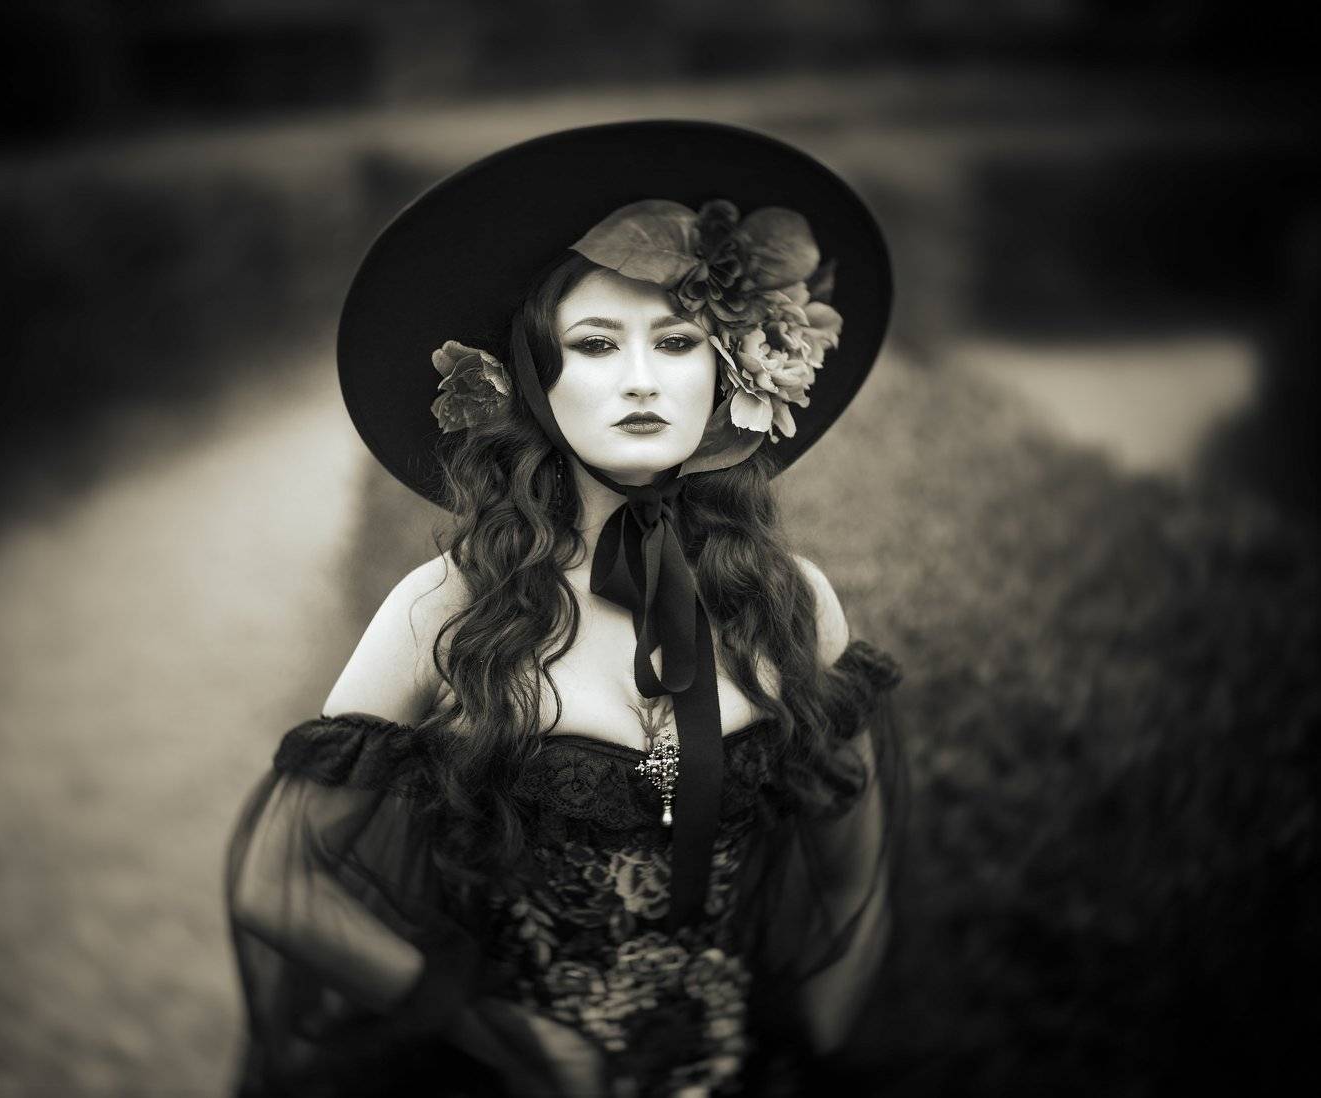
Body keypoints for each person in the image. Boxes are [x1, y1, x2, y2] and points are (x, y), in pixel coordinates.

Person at [224, 120, 907, 1098]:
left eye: (678, 341)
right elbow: (279, 881)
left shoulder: (791, 602)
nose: (641, 379)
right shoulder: (444, 611)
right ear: (536, 381)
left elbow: (852, 877)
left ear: (729, 374)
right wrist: (491, 1029)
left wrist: (813, 1045)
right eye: (594, 344)